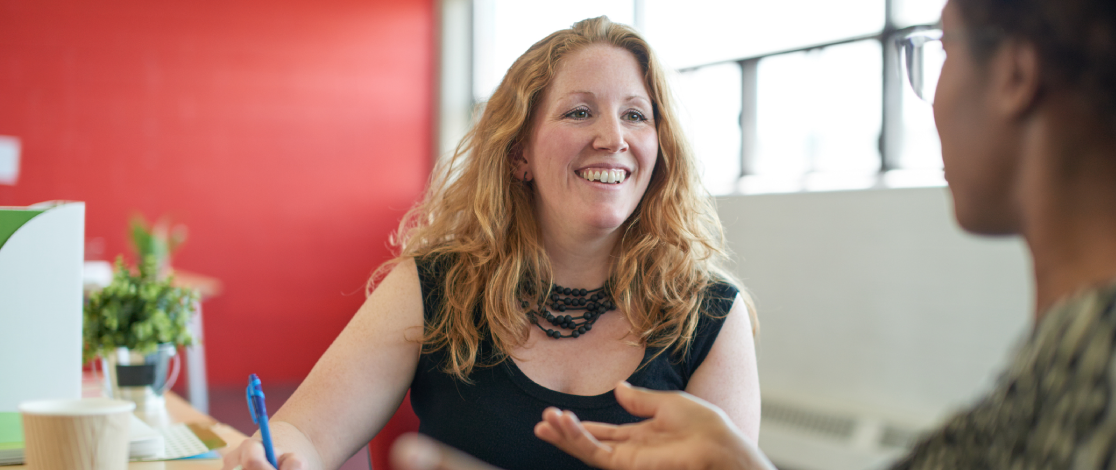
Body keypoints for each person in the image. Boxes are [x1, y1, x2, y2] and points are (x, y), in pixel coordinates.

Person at [393, 0, 1116, 467]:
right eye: (579, 112)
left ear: (1014, 73)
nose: (932, 91)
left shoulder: (1114, 357)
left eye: (937, 46)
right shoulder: (1068, 362)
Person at [221, 16, 760, 470]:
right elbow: (306, 434)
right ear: (519, 154)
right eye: (579, 111)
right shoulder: (434, 285)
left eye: (635, 115)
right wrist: (273, 456)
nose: (613, 138)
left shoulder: (710, 315)